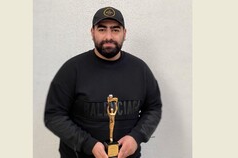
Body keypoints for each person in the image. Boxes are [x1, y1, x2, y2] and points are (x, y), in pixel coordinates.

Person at [44, 6, 162, 158]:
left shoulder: (140, 70)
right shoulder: (72, 69)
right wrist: (88, 144)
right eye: (101, 29)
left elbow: (154, 108)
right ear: (92, 32)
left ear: (124, 33)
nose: (108, 36)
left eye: (115, 29)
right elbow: (53, 115)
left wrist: (136, 137)